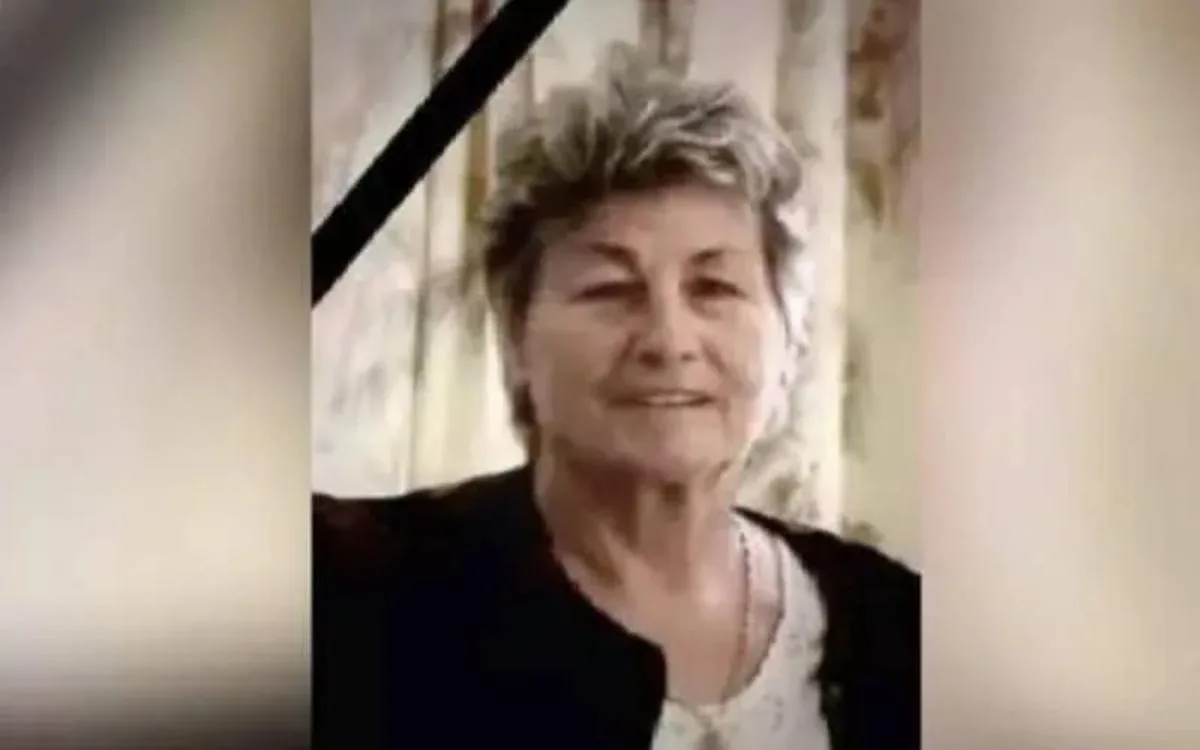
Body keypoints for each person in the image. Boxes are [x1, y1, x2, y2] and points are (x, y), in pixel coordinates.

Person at [314, 45, 918, 750]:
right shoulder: (352, 594)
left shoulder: (897, 626)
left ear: (789, 342)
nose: (669, 340)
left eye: (714, 287)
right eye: (609, 289)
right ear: (515, 337)